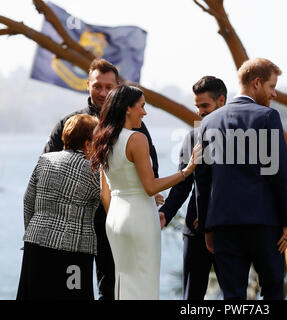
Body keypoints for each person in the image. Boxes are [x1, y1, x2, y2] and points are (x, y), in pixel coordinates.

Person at [42, 58, 161, 300]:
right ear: (87, 84)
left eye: (109, 87)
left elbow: (151, 167)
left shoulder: (136, 126)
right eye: (97, 86)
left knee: (114, 287)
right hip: (76, 225)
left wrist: (150, 199)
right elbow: (48, 170)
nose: (103, 92)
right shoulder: (68, 123)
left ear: (117, 88)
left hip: (116, 220)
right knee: (73, 290)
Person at [195, 58, 287, 300]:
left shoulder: (207, 121)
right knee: (272, 291)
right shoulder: (268, 117)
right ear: (256, 83)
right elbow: (280, 173)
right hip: (264, 225)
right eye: (272, 87)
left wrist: (208, 226)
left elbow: (202, 180)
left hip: (223, 226)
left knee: (233, 296)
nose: (274, 94)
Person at [90, 85, 201, 300]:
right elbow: (150, 186)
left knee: (123, 284)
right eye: (141, 106)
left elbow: (107, 192)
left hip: (114, 219)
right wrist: (186, 171)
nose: (145, 112)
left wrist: (135, 197)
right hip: (138, 218)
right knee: (144, 285)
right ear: (127, 108)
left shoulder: (103, 137)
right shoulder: (136, 139)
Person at [158, 76, 227, 300]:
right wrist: (165, 214)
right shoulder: (192, 137)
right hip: (195, 232)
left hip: (229, 230)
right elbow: (183, 185)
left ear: (222, 101)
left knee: (234, 297)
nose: (200, 112)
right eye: (197, 107)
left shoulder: (242, 138)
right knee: (192, 298)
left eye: (205, 106)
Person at [17, 114, 100, 300]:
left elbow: (28, 201)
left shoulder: (45, 160)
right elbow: (113, 203)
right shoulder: (94, 171)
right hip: (74, 250)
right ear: (88, 144)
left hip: (35, 244)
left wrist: (31, 234)